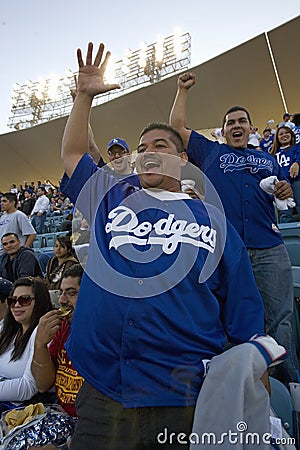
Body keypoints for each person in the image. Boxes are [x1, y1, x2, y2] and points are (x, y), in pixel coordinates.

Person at [60, 42, 266, 450]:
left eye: (161, 146)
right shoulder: (111, 197)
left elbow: (244, 312)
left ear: (183, 159)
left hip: (182, 394)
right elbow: (72, 153)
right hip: (105, 389)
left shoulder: (215, 221)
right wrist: (84, 96)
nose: (148, 152)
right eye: (143, 148)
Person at [169, 71, 299, 385]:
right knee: (229, 319)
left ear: (252, 128)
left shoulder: (267, 160)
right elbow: (177, 127)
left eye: (242, 121)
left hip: (269, 246)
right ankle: (240, 382)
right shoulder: (211, 152)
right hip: (227, 251)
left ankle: (289, 385)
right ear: (223, 130)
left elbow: (282, 191)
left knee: (280, 319)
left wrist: (286, 190)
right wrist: (182, 90)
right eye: (230, 122)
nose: (237, 125)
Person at [32, 264, 84, 417]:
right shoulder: (64, 327)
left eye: (71, 293)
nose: (61, 300)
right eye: (62, 292)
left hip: (89, 423)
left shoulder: (107, 334)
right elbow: (42, 384)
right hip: (60, 414)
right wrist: (40, 344)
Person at [0, 277, 52, 410]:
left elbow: (29, 387)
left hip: (22, 409)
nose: (17, 305)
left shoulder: (42, 333)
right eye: (12, 301)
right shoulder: (6, 328)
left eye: (25, 300)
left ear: (39, 302)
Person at [270, 125, 300, 222]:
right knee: (284, 212)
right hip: (282, 184)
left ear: (291, 135)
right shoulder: (273, 155)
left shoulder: (296, 147)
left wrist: (296, 163)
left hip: (297, 180)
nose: (284, 135)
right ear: (277, 138)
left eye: (287, 132)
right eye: (281, 134)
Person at [0, 192, 36, 256]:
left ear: (12, 203)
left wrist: (24, 250)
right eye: (1, 201)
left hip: (16, 253)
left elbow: (32, 234)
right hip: (4, 253)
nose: (1, 203)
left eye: (4, 201)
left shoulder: (19, 215)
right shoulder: (2, 217)